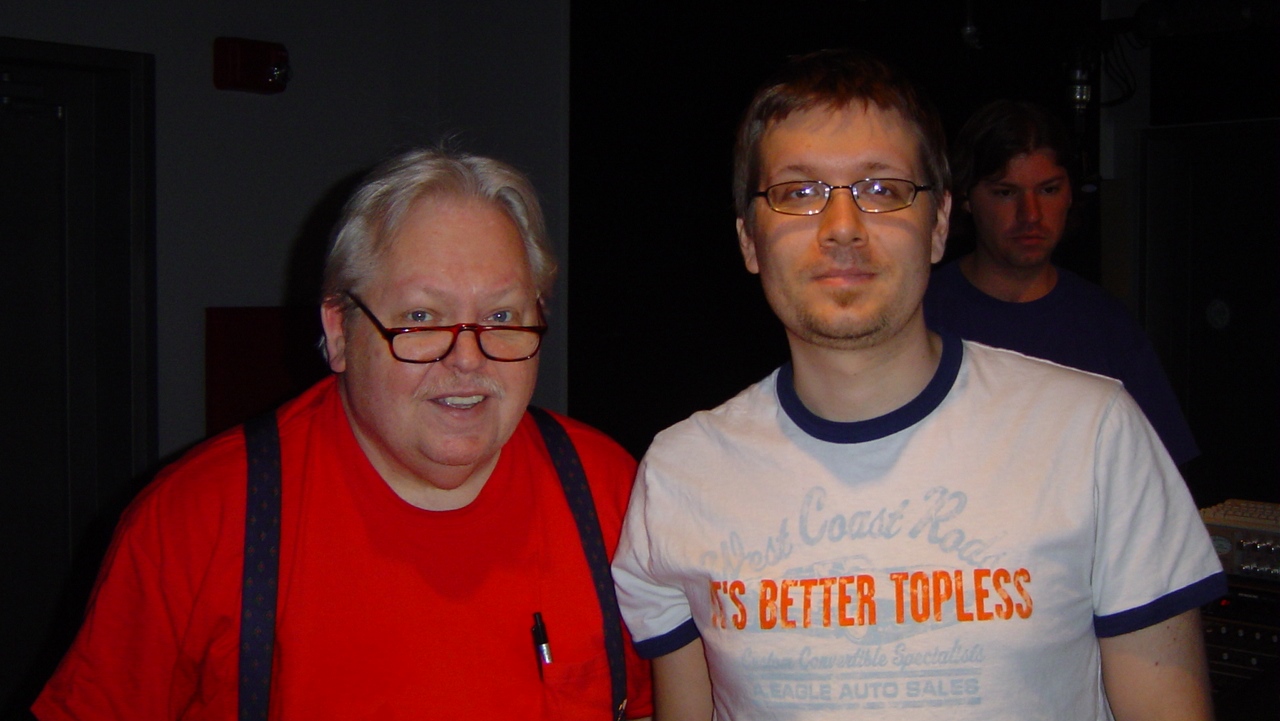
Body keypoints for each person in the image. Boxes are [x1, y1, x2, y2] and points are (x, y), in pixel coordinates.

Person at [611, 50, 1224, 720]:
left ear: (938, 226)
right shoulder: (681, 474)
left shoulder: (1094, 434)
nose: (842, 228)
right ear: (749, 241)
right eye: (799, 192)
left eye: (881, 189)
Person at [34, 149, 652, 720]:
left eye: (500, 316)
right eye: (420, 318)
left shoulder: (609, 491)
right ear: (338, 332)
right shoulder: (197, 523)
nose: (467, 358)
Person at [923, 99, 1198, 466]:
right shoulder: (921, 314)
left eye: (1048, 190)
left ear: (1070, 194)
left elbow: (1160, 469)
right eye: (1006, 192)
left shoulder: (1106, 324)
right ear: (966, 199)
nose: (1031, 215)